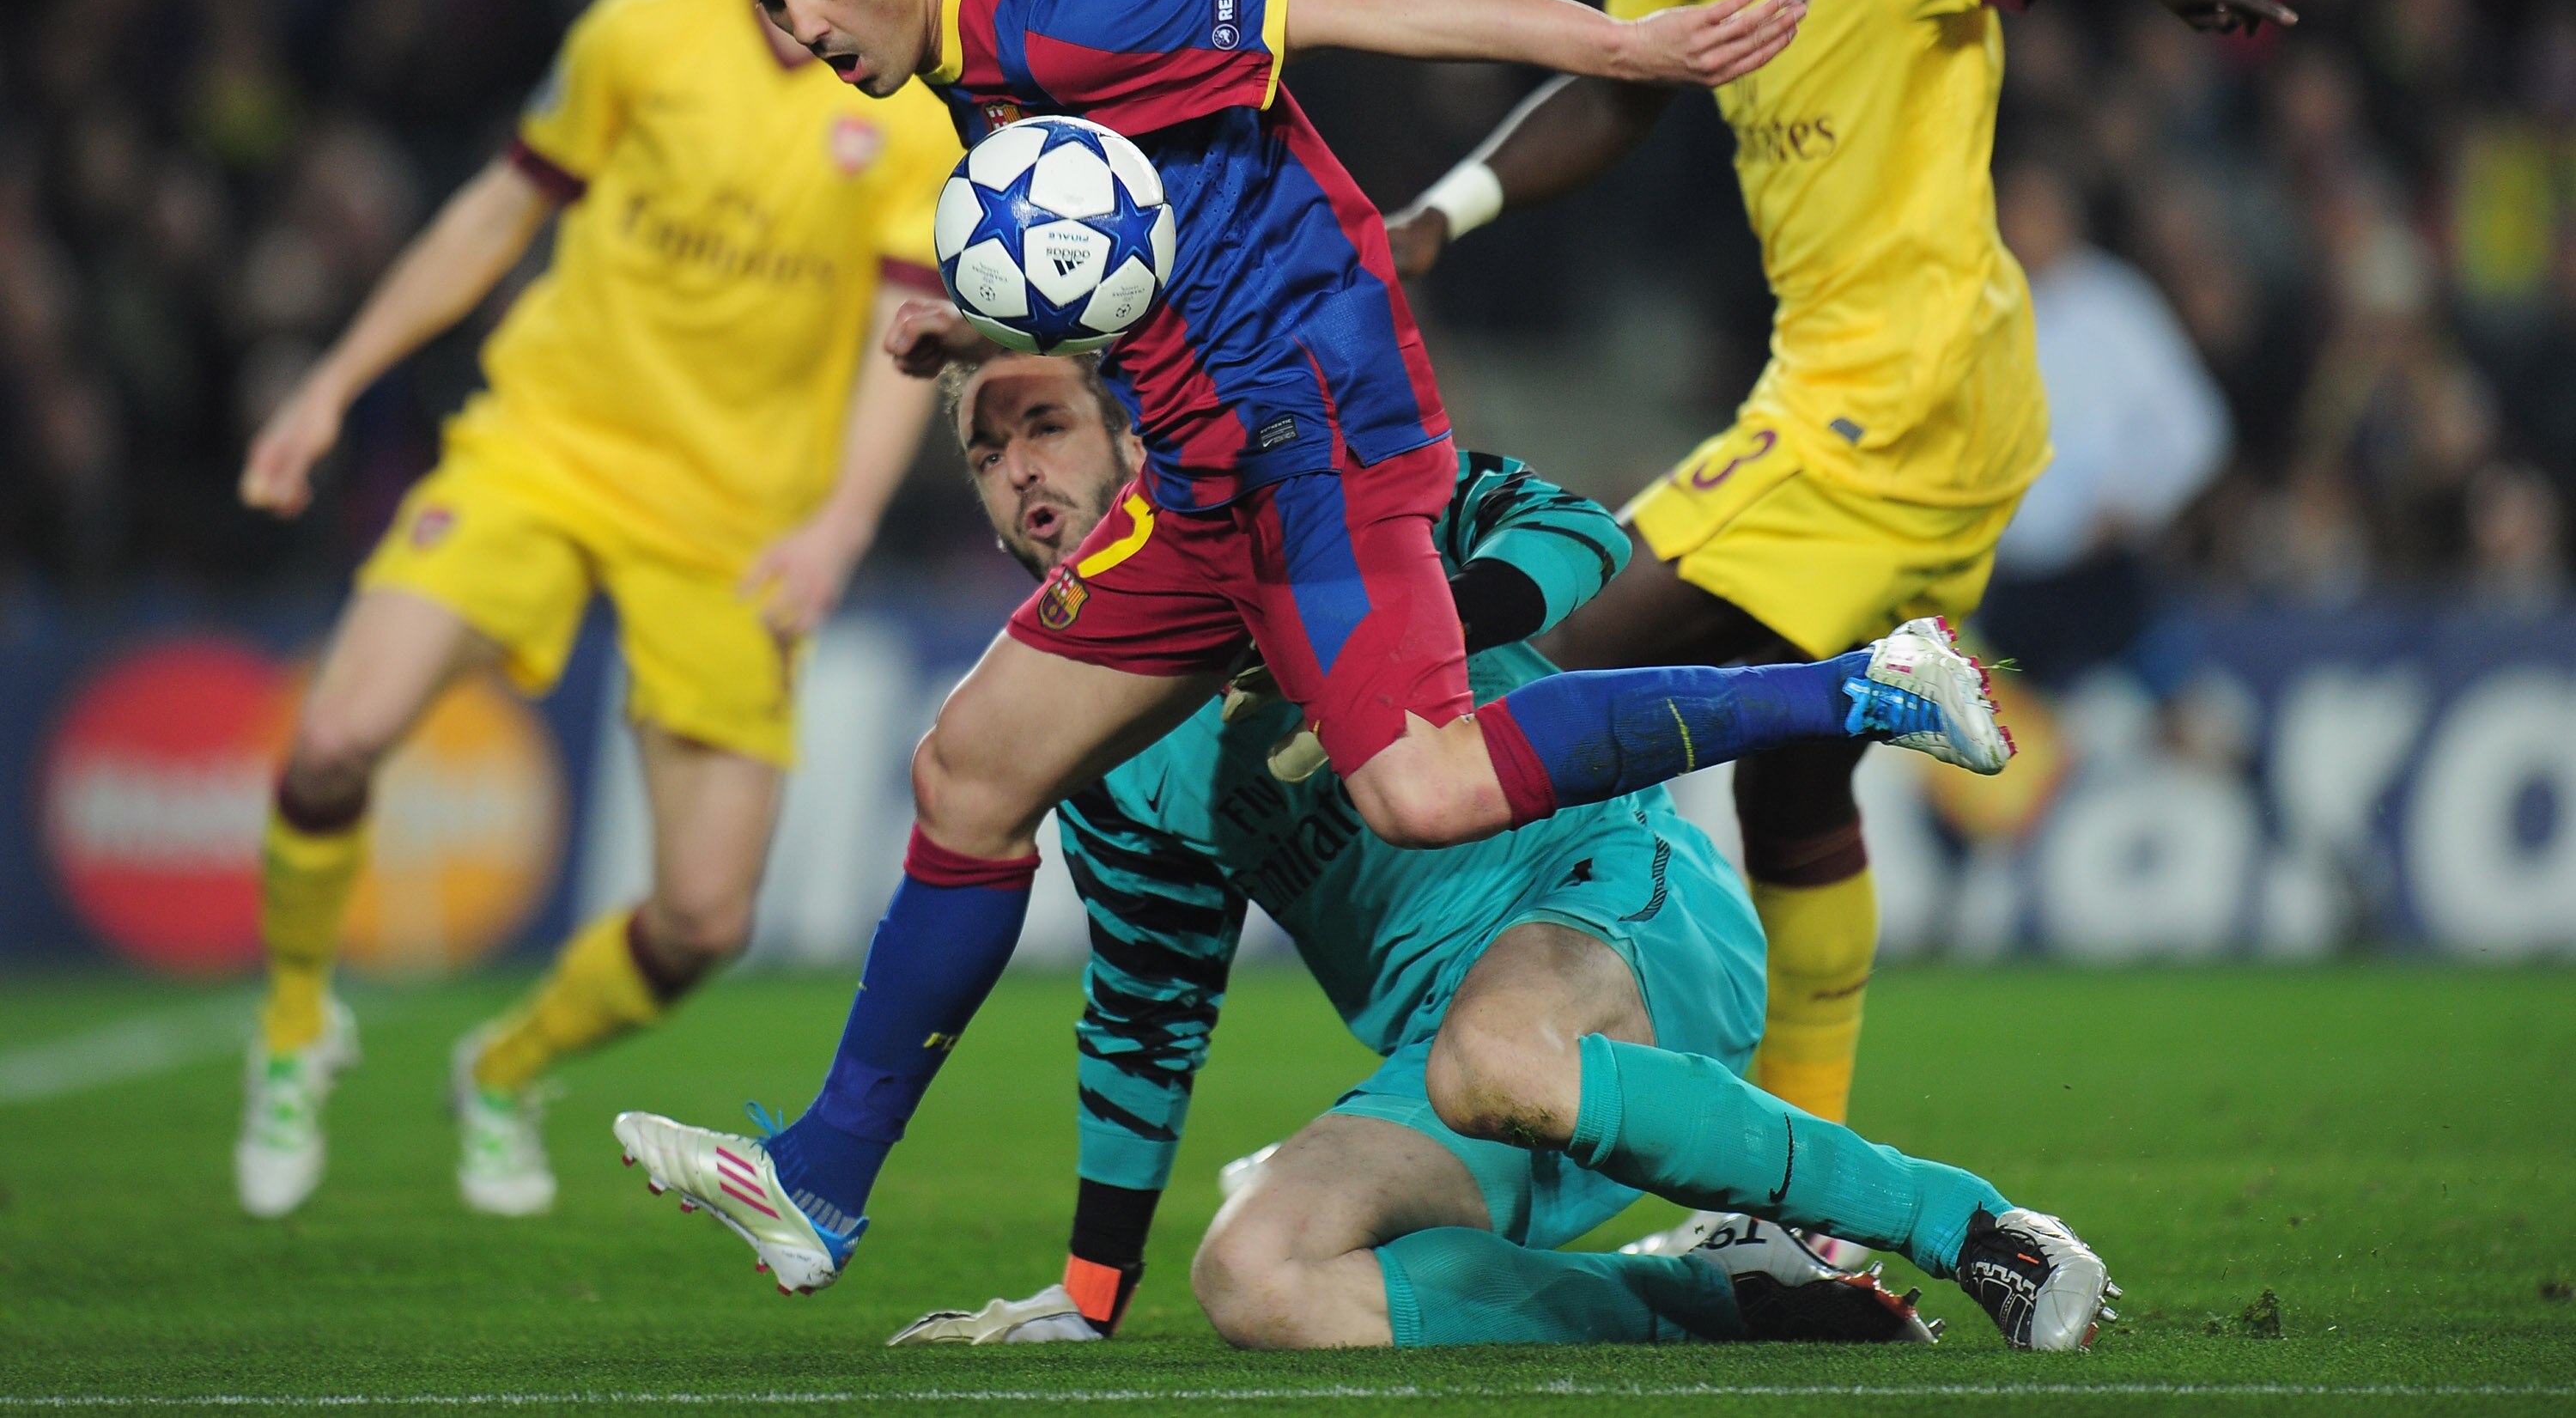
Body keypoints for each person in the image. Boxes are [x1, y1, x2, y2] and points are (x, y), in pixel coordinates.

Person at [607, 0, 2013, 1293]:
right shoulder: (967, 54)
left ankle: (1870, 682)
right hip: (1204, 471)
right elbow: (1157, 230)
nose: (804, 23)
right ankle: (820, 1177)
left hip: (1317, 435)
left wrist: (1631, 46)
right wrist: (979, 320)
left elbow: (1351, 2)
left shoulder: (1054, 6)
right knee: (968, 770)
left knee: (1422, 787)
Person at [1385, 0, 2293, 1132]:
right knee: (1796, 793)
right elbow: (1618, 82)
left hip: (1899, 405)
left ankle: (1520, 1062)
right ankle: (1810, 1198)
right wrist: (1442, 214)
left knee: (1547, 647)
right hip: (1872, 403)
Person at [855, 351, 2117, 1354]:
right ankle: (1726, 1300)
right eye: (985, 451)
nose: (1017, 468)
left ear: (1134, 435)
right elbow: (1145, 1021)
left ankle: (1970, 1225)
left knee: (1494, 1051)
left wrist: (1411, 627)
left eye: (1044, 428)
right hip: (1461, 1065)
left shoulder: (1305, 513)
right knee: (1257, 1272)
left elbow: (1569, 526)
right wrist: (1089, 1289)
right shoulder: (1094, 749)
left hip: (1624, 905)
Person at [233, 0, 957, 1220]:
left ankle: (505, 1062)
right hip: (546, 449)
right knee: (330, 744)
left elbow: (903, 331)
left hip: (735, 519)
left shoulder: (905, 99)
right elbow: (495, 212)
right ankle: (297, 1018)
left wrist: (837, 522)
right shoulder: (638, 35)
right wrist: (334, 379)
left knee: (701, 916)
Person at [1978, 159, 2231, 691]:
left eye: (2033, 211)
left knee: (2125, 730)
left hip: (2098, 581)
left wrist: (2137, 503)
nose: (2018, 225)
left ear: (2065, 216)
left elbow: (2198, 429)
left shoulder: (2115, 306)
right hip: (2010, 586)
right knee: (2011, 751)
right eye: (2010, 211)